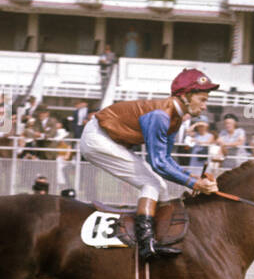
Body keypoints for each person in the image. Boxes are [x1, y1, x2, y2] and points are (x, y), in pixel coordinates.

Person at [78, 67, 220, 261]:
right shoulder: (160, 116)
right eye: (202, 100)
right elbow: (158, 164)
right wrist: (194, 184)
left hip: (106, 139)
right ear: (186, 96)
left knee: (159, 187)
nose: (205, 106)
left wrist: (193, 178)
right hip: (97, 138)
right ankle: (146, 244)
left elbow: (166, 159)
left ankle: (157, 240)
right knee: (152, 183)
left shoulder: (174, 119)